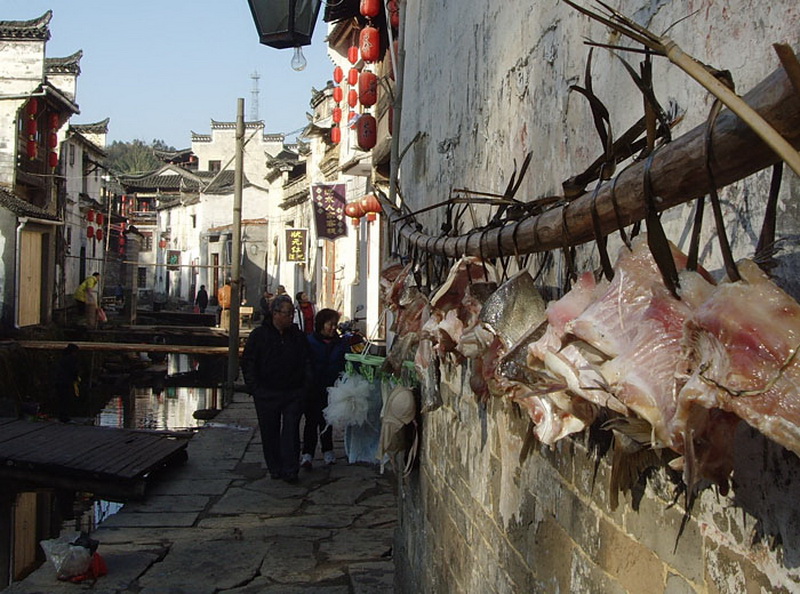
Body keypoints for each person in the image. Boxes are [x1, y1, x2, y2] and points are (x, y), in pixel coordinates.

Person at [240, 294, 312, 483]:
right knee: (269, 431)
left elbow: (307, 361)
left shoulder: (297, 336)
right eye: (286, 314)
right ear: (275, 313)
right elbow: (248, 362)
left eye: (291, 313)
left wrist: (304, 387)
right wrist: (255, 388)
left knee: (291, 430)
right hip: (266, 392)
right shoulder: (259, 336)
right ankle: (275, 467)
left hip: (292, 391)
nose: (290, 317)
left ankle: (291, 468)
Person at [301, 309, 351, 469]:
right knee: (311, 421)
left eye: (335, 324)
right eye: (330, 324)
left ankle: (328, 451)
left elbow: (346, 362)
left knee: (327, 421)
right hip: (312, 388)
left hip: (332, 387)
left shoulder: (340, 343)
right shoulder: (309, 342)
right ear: (321, 324)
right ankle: (307, 454)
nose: (333, 328)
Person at [54, 343, 81, 423]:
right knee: (66, 400)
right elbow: (74, 371)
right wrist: (76, 379)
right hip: (66, 382)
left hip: (59, 381)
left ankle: (61, 416)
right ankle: (65, 417)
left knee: (61, 400)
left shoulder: (62, 359)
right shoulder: (72, 359)